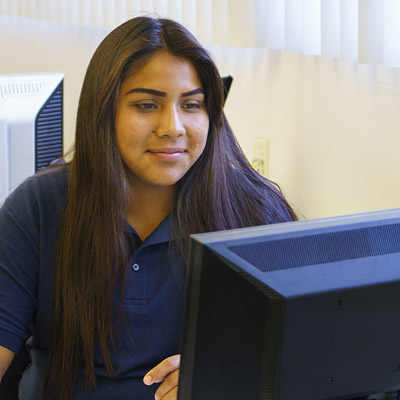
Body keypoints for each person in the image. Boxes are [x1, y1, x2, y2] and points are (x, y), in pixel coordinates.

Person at [0, 16, 297, 400]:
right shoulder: (39, 206)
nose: (172, 126)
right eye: (146, 104)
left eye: (192, 104)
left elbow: (300, 357)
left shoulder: (253, 209)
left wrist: (229, 372)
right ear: (104, 112)